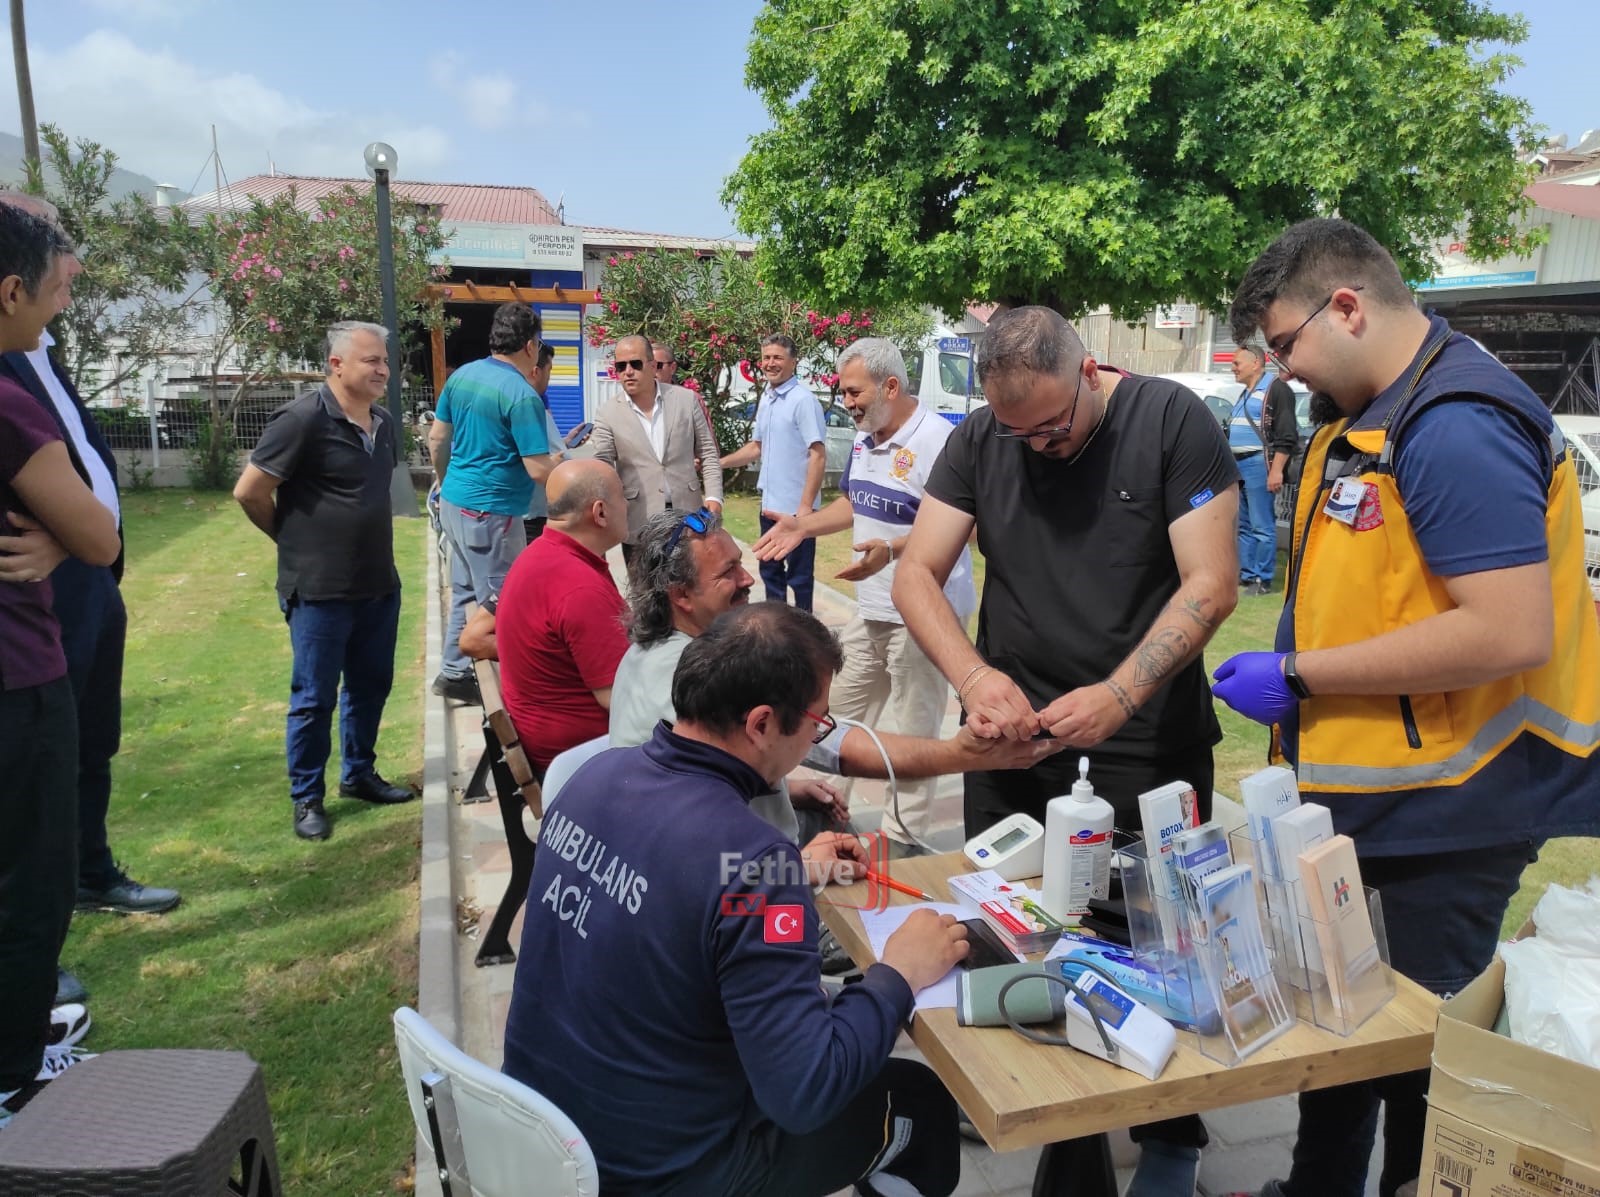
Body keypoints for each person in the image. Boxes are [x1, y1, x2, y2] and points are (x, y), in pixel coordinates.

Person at [1212, 217, 1600, 1197]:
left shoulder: (1454, 421)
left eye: (1285, 343)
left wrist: (1299, 676)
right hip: (1370, 799)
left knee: (1418, 1067)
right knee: (1343, 1033)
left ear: (1346, 306)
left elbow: (1510, 631)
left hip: (1453, 806)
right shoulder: (1365, 413)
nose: (1280, 371)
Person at [893, 305, 1241, 1195]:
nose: (1037, 445)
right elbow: (914, 572)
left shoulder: (1170, 421)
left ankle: (1173, 1135)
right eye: (1019, 432)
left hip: (1142, 744)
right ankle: (1046, 1117)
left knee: (1155, 946)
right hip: (1012, 740)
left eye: (1052, 426)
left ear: (1090, 374)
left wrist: (1122, 694)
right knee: (1009, 928)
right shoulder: (980, 441)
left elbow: (1212, 584)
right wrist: (973, 680)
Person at [503, 602, 968, 1197]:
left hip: (546, 1131)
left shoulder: (592, 780)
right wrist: (898, 974)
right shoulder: (752, 861)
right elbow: (805, 1092)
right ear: (760, 724)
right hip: (666, 1171)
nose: (815, 738)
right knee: (920, 1100)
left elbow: (675, 893)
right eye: (816, 723)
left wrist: (787, 875)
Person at [613, 507, 1060, 855]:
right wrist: (961, 755)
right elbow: (836, 749)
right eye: (728, 572)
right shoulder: (704, 673)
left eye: (740, 563)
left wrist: (787, 788)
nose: (748, 579)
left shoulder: (648, 653)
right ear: (681, 596)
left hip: (690, 847)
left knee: (834, 821)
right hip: (726, 875)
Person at [0, 191, 181, 927]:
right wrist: (67, 534)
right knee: (36, 758)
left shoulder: (39, 346)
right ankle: (34, 923)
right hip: (42, 585)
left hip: (88, 575)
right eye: (53, 245)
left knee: (87, 736)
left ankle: (87, 870)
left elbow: (70, 454)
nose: (70, 265)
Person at [754, 337, 976, 851]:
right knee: (827, 718)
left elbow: (967, 525)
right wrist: (802, 527)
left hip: (923, 615)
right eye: (844, 392)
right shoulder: (866, 436)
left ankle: (904, 841)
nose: (847, 402)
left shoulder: (938, 442)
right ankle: (826, 813)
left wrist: (895, 551)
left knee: (917, 733)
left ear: (890, 386)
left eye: (854, 393)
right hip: (870, 609)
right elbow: (856, 502)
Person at [0, 203, 121, 1123]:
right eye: (53, 292)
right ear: (11, 291)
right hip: (17, 672)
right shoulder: (5, 395)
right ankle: (16, 1076)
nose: (56, 310)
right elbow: (95, 527)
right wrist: (67, 531)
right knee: (30, 872)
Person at [234, 321, 416, 841]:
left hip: (378, 583)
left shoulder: (382, 422)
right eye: (370, 361)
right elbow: (249, 491)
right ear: (336, 365)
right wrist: (292, 543)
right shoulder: (300, 421)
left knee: (370, 687)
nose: (382, 370)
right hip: (318, 591)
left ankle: (358, 774)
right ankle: (306, 798)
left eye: (384, 360)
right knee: (314, 698)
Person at [427, 302, 558, 704]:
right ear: (532, 346)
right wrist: (574, 472)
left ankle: (453, 672)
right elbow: (539, 469)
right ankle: (519, 691)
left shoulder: (462, 376)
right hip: (493, 512)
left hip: (454, 504)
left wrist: (448, 483)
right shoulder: (521, 394)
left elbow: (437, 439)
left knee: (468, 592)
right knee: (507, 602)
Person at [496, 459, 630, 772]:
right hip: (583, 761)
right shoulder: (578, 587)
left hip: (554, 745)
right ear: (600, 512)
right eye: (623, 497)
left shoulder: (544, 554)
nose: (628, 505)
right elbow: (620, 697)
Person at [590, 333, 722, 566]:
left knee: (689, 592)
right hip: (638, 520)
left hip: (687, 516)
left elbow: (708, 452)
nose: (628, 371)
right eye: (621, 366)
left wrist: (714, 497)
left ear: (652, 366)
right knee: (645, 596)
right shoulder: (607, 413)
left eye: (635, 364)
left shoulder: (686, 400)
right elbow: (602, 465)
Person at [721, 333, 826, 609]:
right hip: (770, 507)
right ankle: (777, 634)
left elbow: (817, 455)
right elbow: (757, 447)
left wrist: (805, 508)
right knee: (770, 575)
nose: (770, 363)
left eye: (777, 357)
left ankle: (805, 637)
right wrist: (718, 464)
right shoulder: (767, 397)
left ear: (793, 361)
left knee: (800, 579)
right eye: (766, 357)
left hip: (796, 512)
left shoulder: (803, 401)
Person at [1227, 344, 1299, 595]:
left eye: (1237, 363)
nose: (1233, 367)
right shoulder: (1246, 393)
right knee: (1245, 525)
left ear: (1256, 363)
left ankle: (1262, 579)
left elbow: (1287, 435)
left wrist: (1276, 470)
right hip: (1239, 465)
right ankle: (1247, 575)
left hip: (1258, 463)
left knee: (1261, 524)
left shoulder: (1276, 390)